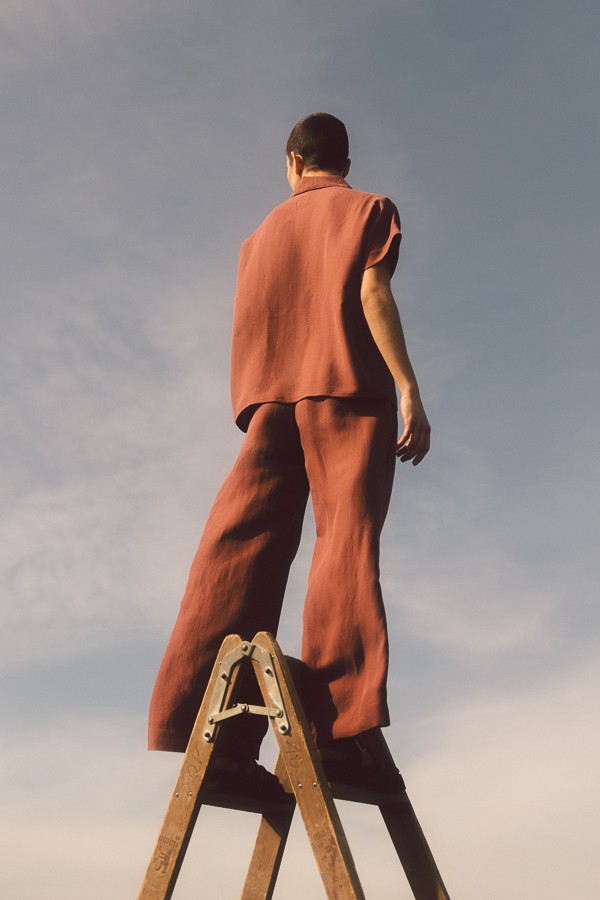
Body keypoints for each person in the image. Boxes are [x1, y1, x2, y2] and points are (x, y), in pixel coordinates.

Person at [148, 113, 430, 795]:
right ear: (342, 161)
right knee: (343, 546)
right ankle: (335, 738)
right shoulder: (368, 209)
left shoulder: (259, 238)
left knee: (237, 551)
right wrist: (407, 387)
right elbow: (370, 291)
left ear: (294, 163)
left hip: (269, 404)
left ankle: (209, 740)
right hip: (343, 391)